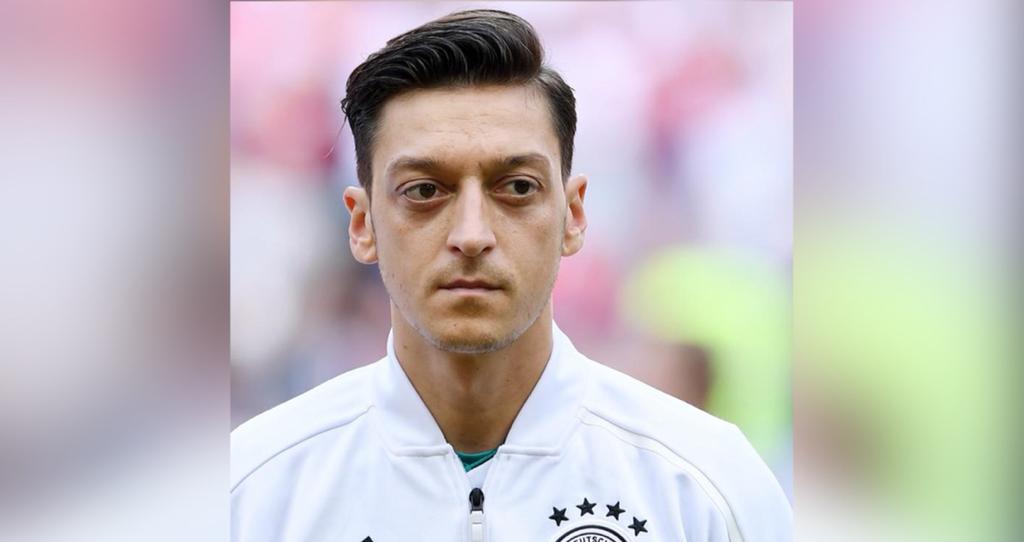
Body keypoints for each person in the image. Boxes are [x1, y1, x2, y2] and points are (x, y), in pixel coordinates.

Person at [231, 9, 791, 541]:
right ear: (362, 224)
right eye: (424, 190)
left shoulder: (704, 484)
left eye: (518, 187)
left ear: (573, 215)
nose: (472, 234)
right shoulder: (256, 489)